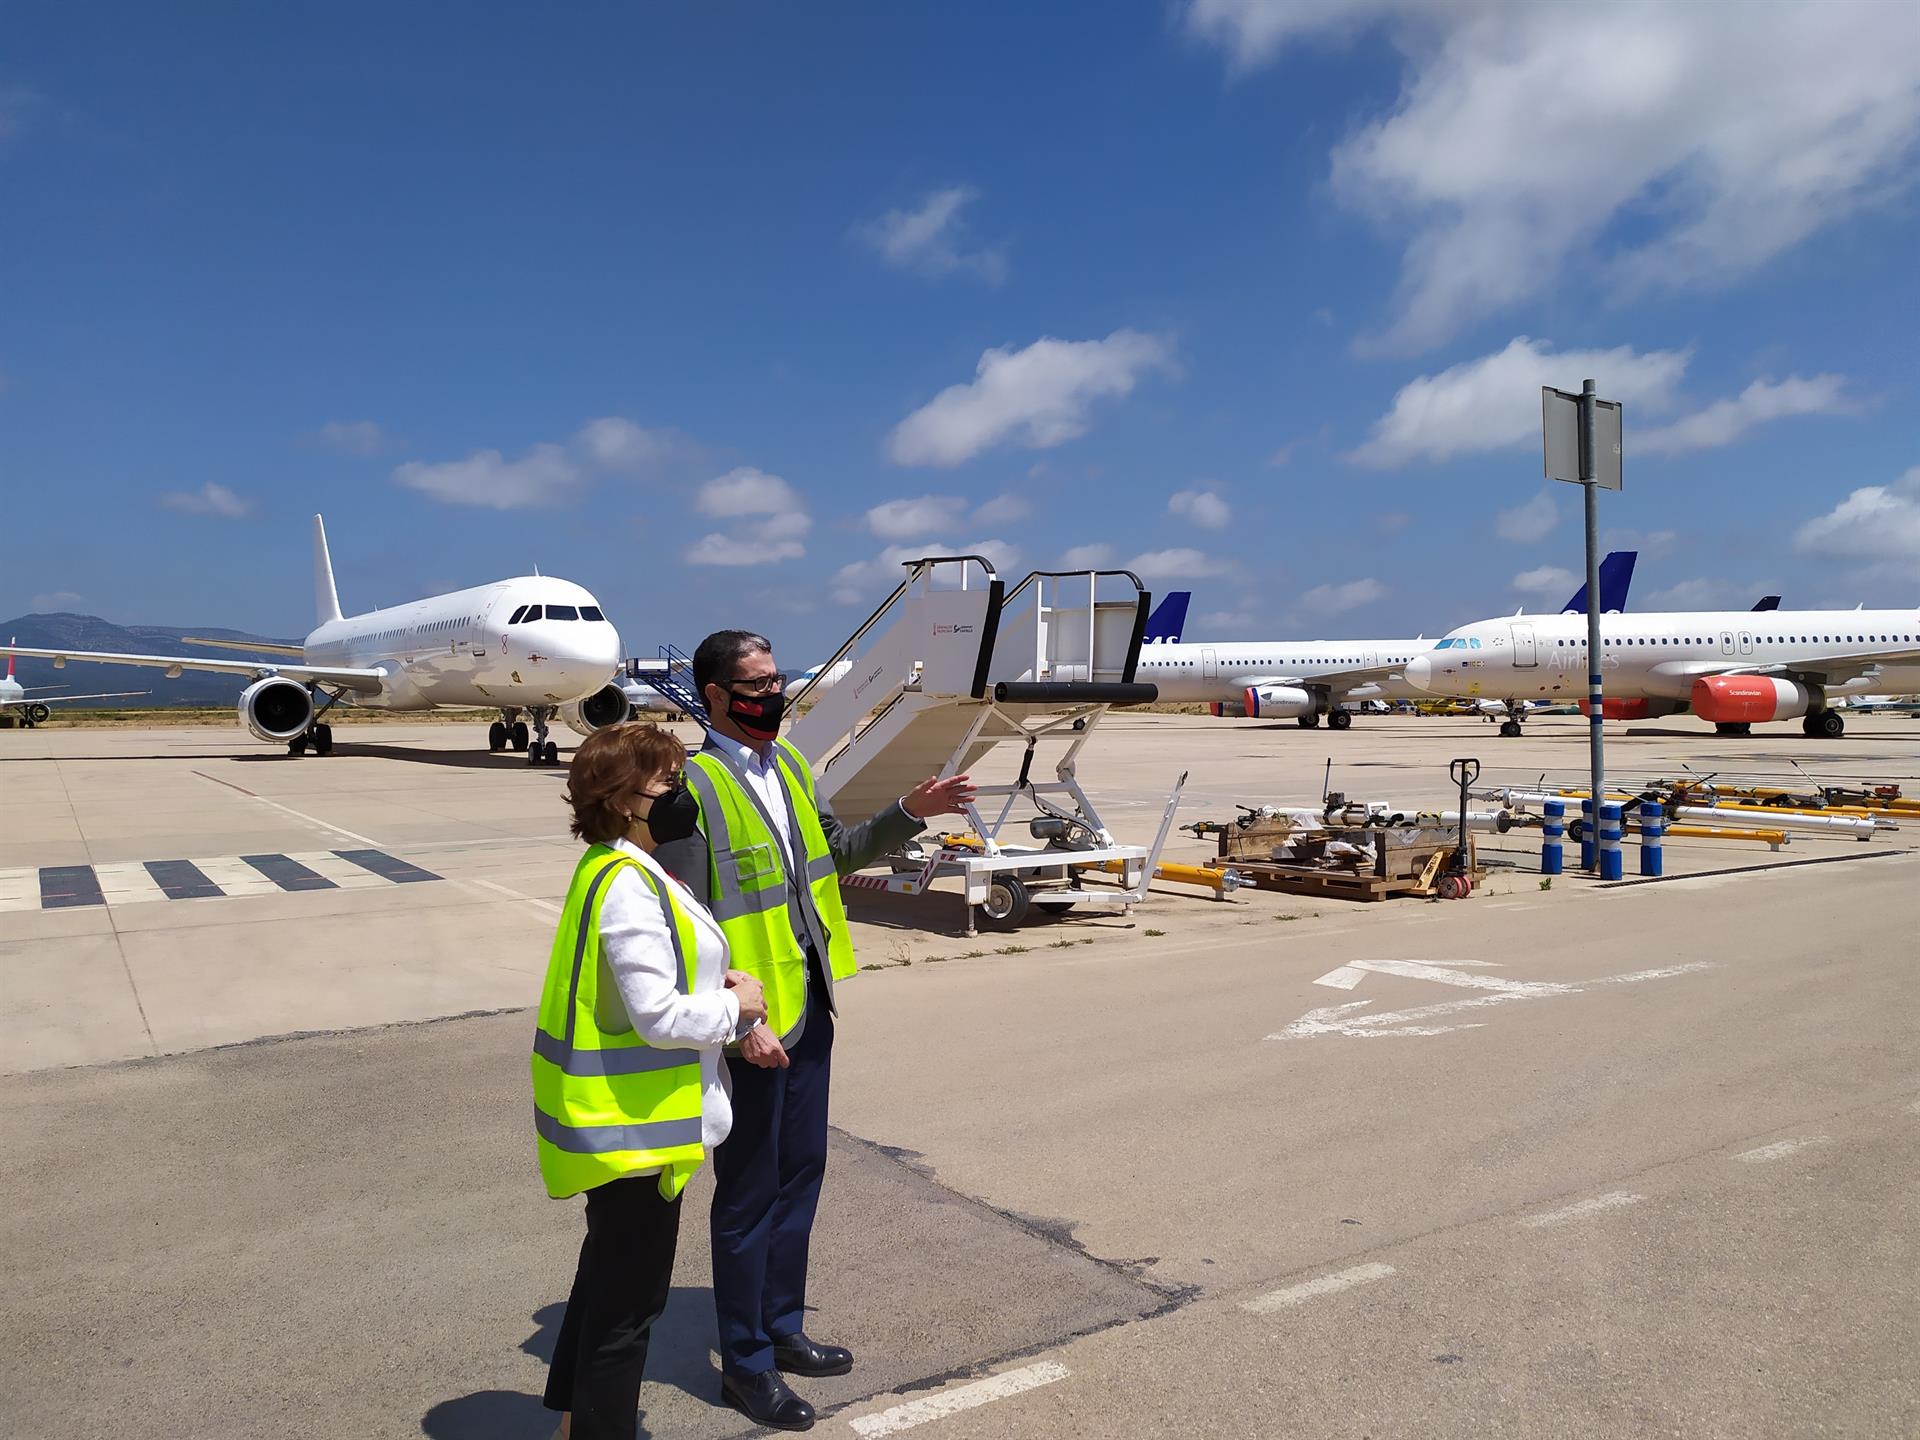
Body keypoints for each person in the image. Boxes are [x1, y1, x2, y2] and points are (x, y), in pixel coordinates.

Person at [656, 630, 977, 1432]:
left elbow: (836, 855)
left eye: (779, 680)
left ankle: (782, 1326)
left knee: (801, 1176)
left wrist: (911, 811)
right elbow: (684, 927)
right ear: (717, 695)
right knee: (748, 1195)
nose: (775, 695)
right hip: (756, 1029)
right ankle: (747, 1365)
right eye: (758, 684)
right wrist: (733, 1031)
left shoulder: (793, 767)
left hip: (811, 1007)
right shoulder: (692, 791)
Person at [534, 722, 768, 1440]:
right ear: (620, 797)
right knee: (627, 1307)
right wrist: (737, 1006)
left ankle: (575, 1423)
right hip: (635, 1129)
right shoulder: (627, 886)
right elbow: (657, 1014)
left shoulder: (621, 866)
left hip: (625, 1125)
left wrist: (714, 978)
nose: (681, 794)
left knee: (606, 1280)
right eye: (668, 783)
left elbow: (651, 979)